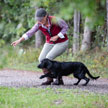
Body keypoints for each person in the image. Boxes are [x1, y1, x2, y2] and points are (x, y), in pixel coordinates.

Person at [11, 8, 69, 85]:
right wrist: (19, 40)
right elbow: (30, 33)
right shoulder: (38, 24)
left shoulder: (55, 20)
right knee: (41, 59)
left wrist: (57, 36)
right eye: (38, 19)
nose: (39, 21)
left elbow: (66, 27)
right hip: (50, 42)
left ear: (46, 16)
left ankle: (59, 79)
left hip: (62, 42)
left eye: (41, 19)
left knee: (48, 58)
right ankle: (49, 79)